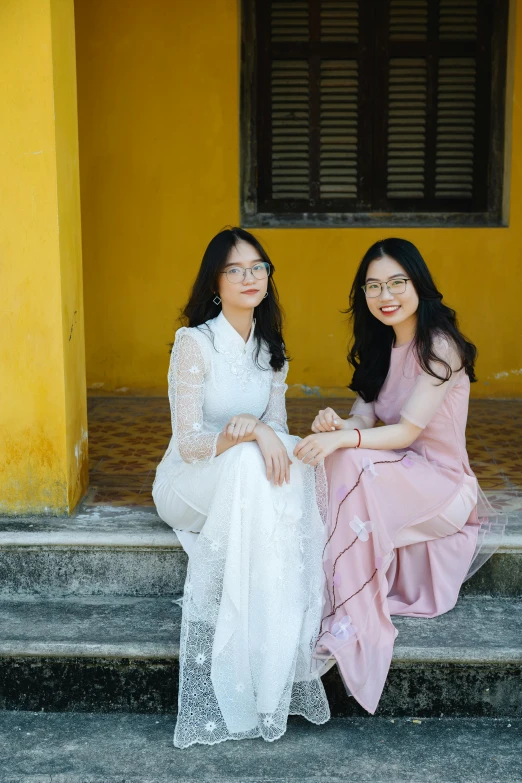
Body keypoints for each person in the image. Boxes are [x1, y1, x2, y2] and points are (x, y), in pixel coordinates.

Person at [293, 237, 504, 715]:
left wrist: (344, 442)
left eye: (396, 283)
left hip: (443, 485)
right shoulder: (381, 347)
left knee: (347, 458)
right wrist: (336, 426)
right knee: (338, 457)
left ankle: (349, 615)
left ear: (418, 286)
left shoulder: (441, 347)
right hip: (398, 474)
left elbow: (408, 429)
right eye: (372, 286)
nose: (384, 295)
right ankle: (339, 597)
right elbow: (363, 422)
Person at [153, 227, 330, 748]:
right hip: (190, 483)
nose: (250, 278)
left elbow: (277, 433)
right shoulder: (194, 344)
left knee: (293, 461)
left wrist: (267, 433)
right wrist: (251, 429)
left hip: (243, 479)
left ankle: (270, 655)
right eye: (236, 270)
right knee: (253, 460)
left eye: (259, 268)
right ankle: (235, 654)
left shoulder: (270, 349)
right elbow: (188, 443)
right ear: (216, 281)